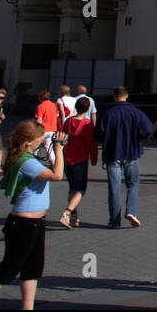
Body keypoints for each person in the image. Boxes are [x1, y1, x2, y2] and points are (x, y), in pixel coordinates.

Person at [0, 120, 66, 310]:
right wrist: (59, 149)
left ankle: (27, 308)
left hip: (36, 223)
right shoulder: (26, 162)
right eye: (39, 137)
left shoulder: (27, 157)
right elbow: (57, 175)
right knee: (8, 270)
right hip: (23, 224)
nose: (42, 139)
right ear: (28, 141)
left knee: (32, 269)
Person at [99, 86, 151, 228]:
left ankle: (114, 220)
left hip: (112, 153)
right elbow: (147, 129)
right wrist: (138, 138)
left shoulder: (108, 113)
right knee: (133, 183)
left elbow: (99, 133)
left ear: (114, 96)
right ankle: (131, 211)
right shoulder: (136, 113)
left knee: (114, 187)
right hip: (131, 152)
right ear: (127, 96)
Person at [58, 96, 97, 228]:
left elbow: (63, 138)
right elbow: (90, 143)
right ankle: (67, 213)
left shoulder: (68, 122)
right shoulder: (87, 125)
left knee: (72, 188)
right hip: (80, 159)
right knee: (81, 189)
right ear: (87, 109)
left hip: (67, 158)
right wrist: (94, 158)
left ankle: (74, 217)